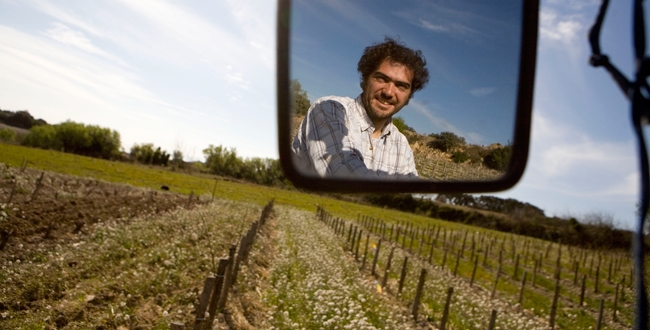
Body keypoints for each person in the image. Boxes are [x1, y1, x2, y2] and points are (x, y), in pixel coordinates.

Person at [292, 37, 429, 179]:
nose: (388, 92)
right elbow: (341, 171)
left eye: (401, 86)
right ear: (364, 79)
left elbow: (410, 194)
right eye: (381, 79)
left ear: (408, 97)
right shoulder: (329, 109)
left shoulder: (402, 146)